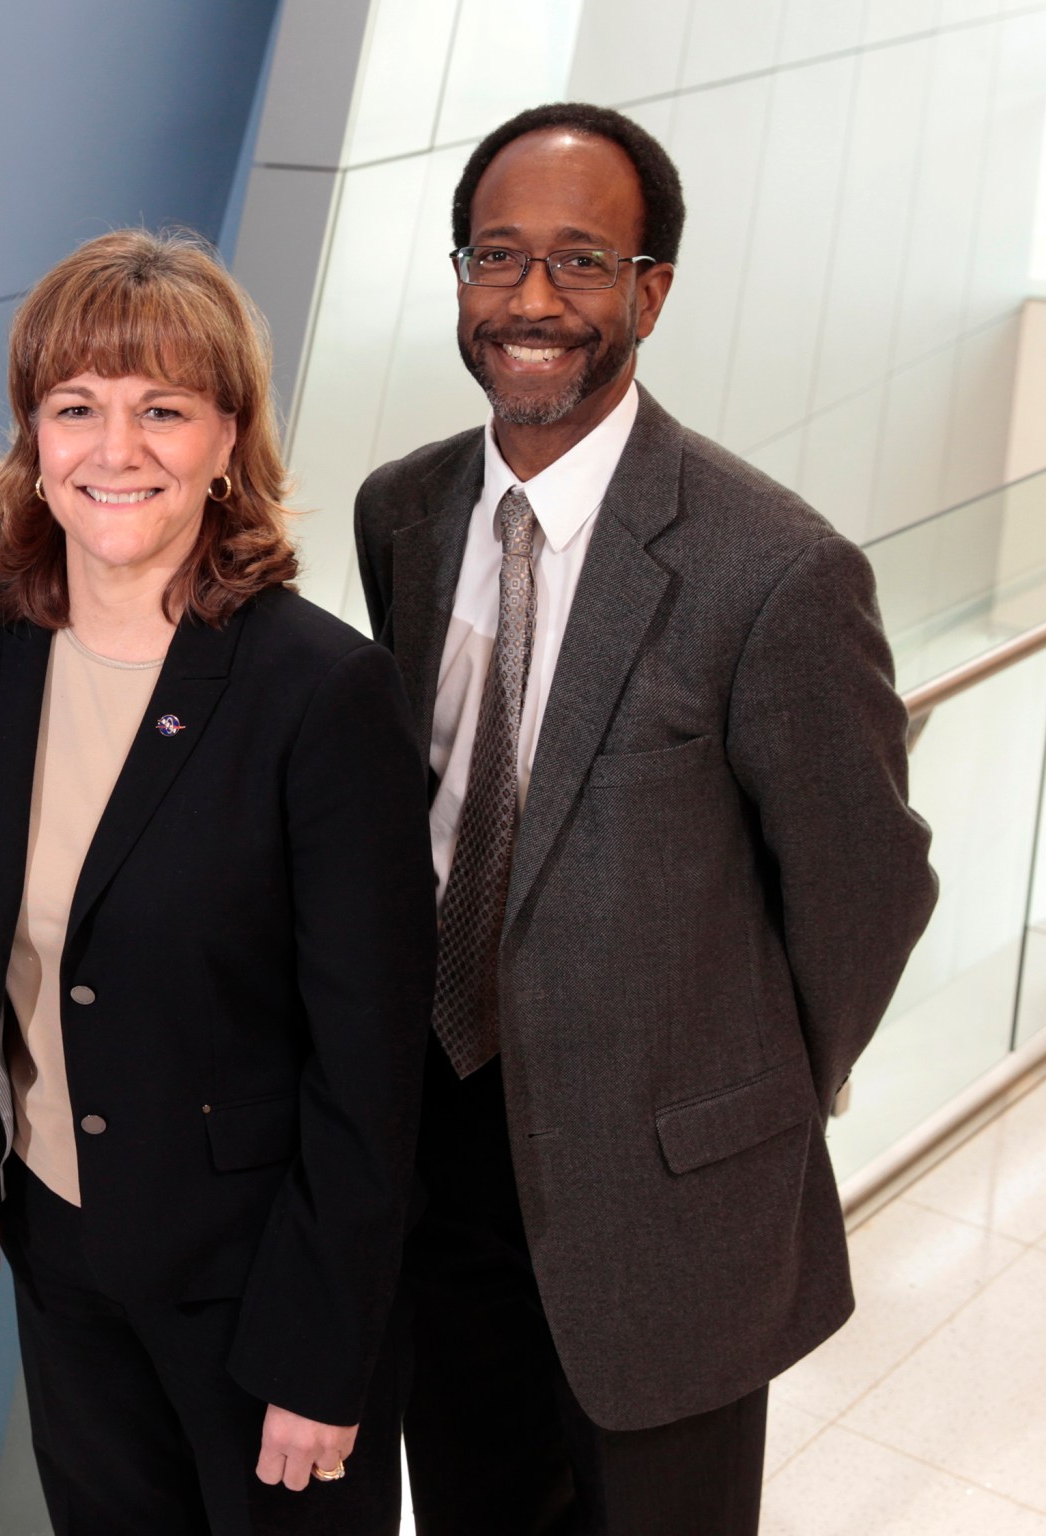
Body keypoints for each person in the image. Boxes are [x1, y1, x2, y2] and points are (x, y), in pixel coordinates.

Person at [353, 103, 938, 1535]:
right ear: (459, 281)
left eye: (581, 262)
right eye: (499, 258)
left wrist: (740, 1090)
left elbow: (867, 891)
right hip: (443, 1172)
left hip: (668, 1206)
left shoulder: (776, 570)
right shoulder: (401, 515)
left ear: (650, 292)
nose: (533, 302)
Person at [0, 229, 437, 1535]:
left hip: (262, 1286)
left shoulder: (323, 692)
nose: (115, 449)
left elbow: (371, 1068)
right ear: (33, 438)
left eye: (164, 410)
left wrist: (326, 1353)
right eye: (76, 407)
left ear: (230, 442)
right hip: (61, 1252)